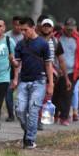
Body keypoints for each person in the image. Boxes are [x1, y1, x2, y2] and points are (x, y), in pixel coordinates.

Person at [14, 17, 53, 149]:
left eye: (25, 30)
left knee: (33, 110)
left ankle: (30, 140)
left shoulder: (43, 44)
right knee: (19, 110)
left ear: (33, 28)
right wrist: (13, 64)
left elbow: (48, 64)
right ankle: (28, 131)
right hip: (24, 82)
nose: (23, 33)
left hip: (39, 81)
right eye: (21, 30)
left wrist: (50, 84)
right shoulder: (20, 44)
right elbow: (17, 64)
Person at [52, 17, 79, 126]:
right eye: (67, 29)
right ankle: (55, 114)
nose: (69, 31)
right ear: (64, 27)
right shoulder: (57, 37)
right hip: (57, 70)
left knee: (68, 94)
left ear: (75, 28)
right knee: (56, 93)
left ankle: (64, 117)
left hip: (72, 71)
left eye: (72, 29)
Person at [37, 18, 71, 130]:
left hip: (50, 74)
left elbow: (61, 60)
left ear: (52, 28)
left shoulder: (56, 42)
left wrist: (66, 78)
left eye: (49, 26)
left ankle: (39, 120)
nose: (46, 28)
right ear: (41, 27)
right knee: (36, 97)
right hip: (35, 72)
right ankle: (35, 118)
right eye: (44, 26)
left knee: (46, 98)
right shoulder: (34, 40)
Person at [4, 16, 23, 122]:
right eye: (15, 24)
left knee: (21, 93)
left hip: (23, 69)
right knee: (8, 92)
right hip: (9, 68)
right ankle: (11, 114)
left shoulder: (25, 36)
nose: (17, 27)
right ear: (12, 24)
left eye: (19, 25)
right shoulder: (6, 36)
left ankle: (20, 112)